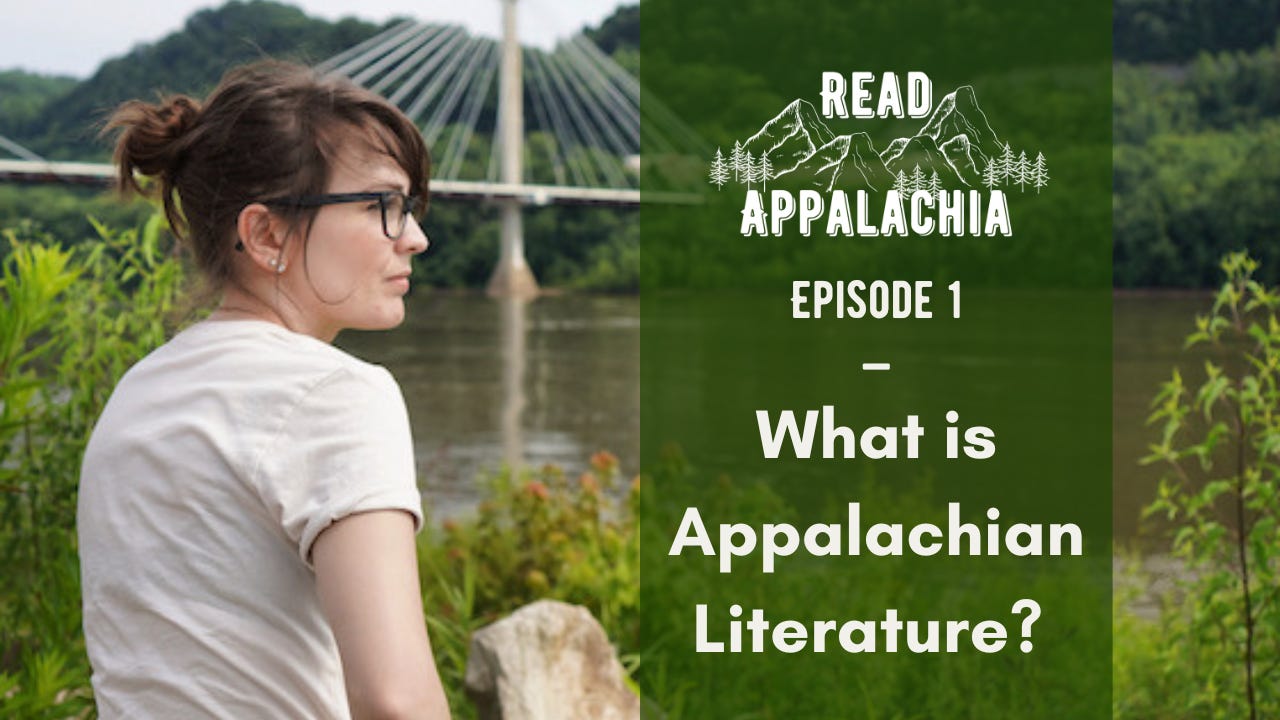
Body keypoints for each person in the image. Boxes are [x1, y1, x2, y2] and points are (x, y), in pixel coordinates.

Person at [77, 60, 451, 719]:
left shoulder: (138, 393)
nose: (415, 238)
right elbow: (396, 702)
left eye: (410, 208)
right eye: (382, 207)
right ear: (266, 233)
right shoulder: (336, 393)